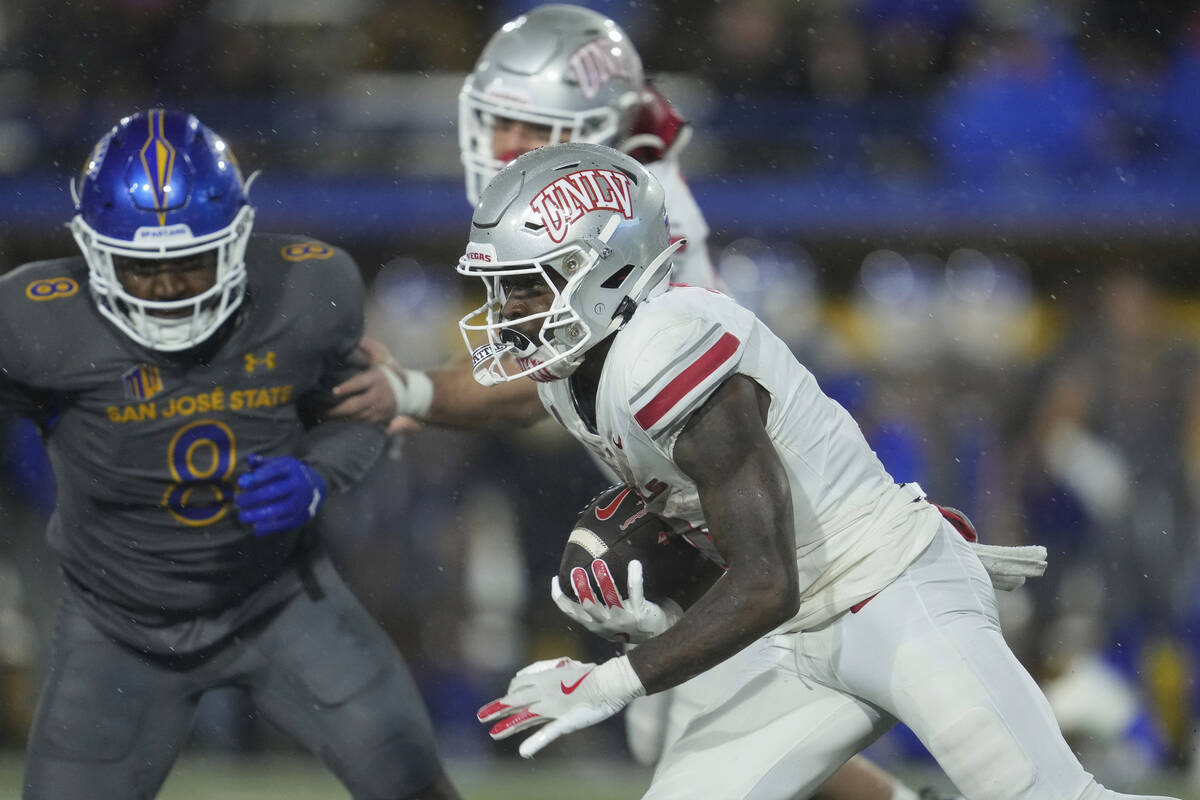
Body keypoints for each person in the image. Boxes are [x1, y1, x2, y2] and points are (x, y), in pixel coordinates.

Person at [330, 5, 985, 797]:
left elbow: (561, 377)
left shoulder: (635, 223)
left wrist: (418, 389)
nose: (503, 146)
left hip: (748, 510)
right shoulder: (589, 205)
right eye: (496, 119)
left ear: (598, 123)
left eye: (528, 126)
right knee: (707, 725)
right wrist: (416, 389)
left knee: (717, 716)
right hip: (691, 486)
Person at [462, 141, 1176, 800]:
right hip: (796, 637)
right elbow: (743, 550)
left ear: (605, 268)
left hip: (891, 592)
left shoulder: (668, 349)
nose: (506, 315)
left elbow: (768, 577)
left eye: (525, 287)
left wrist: (613, 681)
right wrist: (662, 611)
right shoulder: (572, 377)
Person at [9, 109, 461, 800]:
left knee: (414, 788)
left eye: (187, 265)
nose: (164, 289)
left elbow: (365, 412)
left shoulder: (308, 288)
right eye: (141, 268)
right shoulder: (34, 321)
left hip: (281, 602)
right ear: (92, 249)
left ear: (236, 241)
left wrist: (316, 475)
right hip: (116, 626)